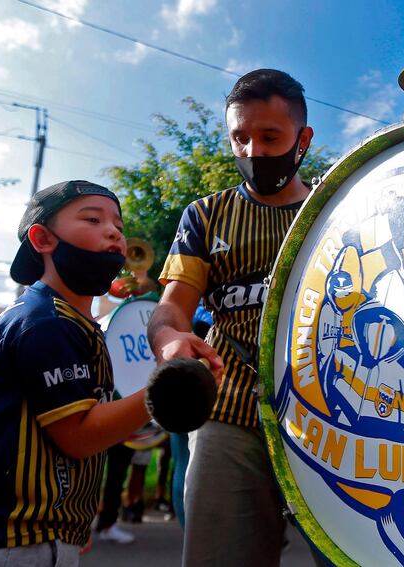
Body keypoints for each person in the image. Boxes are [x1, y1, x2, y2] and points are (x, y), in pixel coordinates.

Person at [147, 69, 314, 567]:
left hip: (334, 419)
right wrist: (170, 342)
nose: (253, 152)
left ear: (302, 139)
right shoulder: (206, 215)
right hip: (230, 415)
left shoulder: (339, 205)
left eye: (270, 137)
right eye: (240, 138)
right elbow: (172, 306)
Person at [0, 180, 153, 566]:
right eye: (93, 219)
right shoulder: (43, 323)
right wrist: (164, 392)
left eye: (118, 223)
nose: (114, 230)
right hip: (11, 541)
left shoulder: (72, 322)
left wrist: (71, 524)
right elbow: (79, 435)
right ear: (43, 239)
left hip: (37, 535)